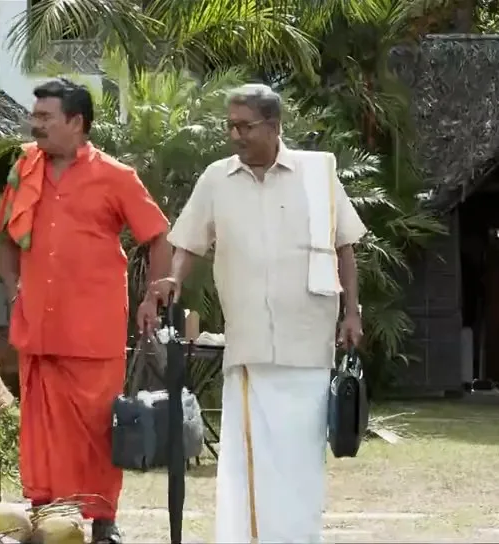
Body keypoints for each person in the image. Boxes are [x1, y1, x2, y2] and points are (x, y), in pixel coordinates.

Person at [140, 83, 367, 543]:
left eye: (245, 126)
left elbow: (345, 245)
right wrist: (173, 279)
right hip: (249, 347)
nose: (235, 136)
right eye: (230, 126)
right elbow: (188, 243)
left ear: (274, 126)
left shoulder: (318, 174)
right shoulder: (216, 178)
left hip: (308, 345)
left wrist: (352, 313)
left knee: (301, 463)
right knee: (249, 464)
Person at [0, 78, 172, 544]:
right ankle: (47, 517)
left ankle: (104, 522)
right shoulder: (24, 170)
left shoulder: (116, 176)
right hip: (38, 325)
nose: (35, 125)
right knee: (41, 430)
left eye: (45, 117)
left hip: (94, 327)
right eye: (35, 116)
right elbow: (6, 239)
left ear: (76, 122)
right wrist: (14, 291)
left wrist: (152, 298)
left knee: (97, 429)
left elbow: (158, 237)